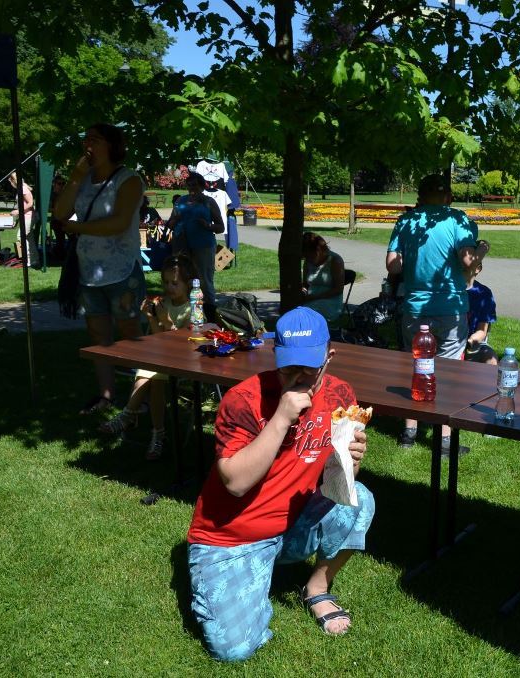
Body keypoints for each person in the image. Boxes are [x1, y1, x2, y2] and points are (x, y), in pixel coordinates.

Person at [186, 307, 375, 662]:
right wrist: (281, 417)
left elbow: (339, 481)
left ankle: (317, 588)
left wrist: (352, 460)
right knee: (234, 649)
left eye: (309, 368)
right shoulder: (243, 400)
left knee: (360, 500)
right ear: (275, 356)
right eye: (289, 368)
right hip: (231, 536)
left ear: (329, 357)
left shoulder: (340, 395)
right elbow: (235, 483)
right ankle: (243, 577)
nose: (299, 378)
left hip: (293, 523)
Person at [386, 173, 489, 452]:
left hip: (415, 308)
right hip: (450, 308)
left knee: (416, 365)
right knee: (449, 371)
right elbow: (468, 261)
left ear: (421, 196)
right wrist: (482, 249)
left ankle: (409, 432)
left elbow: (393, 265)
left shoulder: (406, 221)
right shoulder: (458, 219)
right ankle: (444, 439)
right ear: (448, 197)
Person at [53, 123, 146, 415]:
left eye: (94, 139)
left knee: (131, 332)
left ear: (112, 145)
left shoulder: (129, 180)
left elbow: (119, 223)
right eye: (86, 139)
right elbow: (60, 213)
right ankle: (106, 396)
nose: (87, 145)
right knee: (98, 334)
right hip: (88, 270)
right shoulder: (83, 179)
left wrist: (77, 228)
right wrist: (75, 176)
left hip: (121, 270)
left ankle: (140, 397)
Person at [98, 254, 197, 459]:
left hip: (182, 360)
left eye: (174, 283)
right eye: (165, 282)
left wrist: (168, 322)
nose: (169, 287)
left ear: (188, 284)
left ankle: (129, 416)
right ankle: (156, 433)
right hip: (161, 357)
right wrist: (151, 317)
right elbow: (158, 338)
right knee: (151, 373)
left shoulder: (192, 308)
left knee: (154, 375)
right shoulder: (164, 303)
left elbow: (184, 344)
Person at [165, 171, 224, 320]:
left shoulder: (209, 202)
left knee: (204, 280)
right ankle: (182, 314)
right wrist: (175, 219)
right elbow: (170, 224)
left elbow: (220, 227)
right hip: (181, 244)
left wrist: (207, 226)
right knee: (180, 278)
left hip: (203, 245)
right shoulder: (180, 201)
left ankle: (210, 314)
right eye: (189, 185)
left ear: (202, 186)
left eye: (195, 185)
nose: (192, 188)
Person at [301, 231, 346, 324]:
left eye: (309, 255)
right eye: (306, 256)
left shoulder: (335, 260)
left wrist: (314, 297)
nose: (308, 258)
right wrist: (303, 292)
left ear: (319, 250)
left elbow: (338, 289)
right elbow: (305, 284)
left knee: (304, 313)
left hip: (330, 301)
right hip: (310, 299)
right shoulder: (308, 261)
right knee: (295, 310)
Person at [464, 247, 498, 365]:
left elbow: (482, 331)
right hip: (449, 341)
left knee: (490, 358)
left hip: (474, 342)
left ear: (478, 268)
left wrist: (470, 342)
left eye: (471, 262)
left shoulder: (483, 293)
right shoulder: (448, 291)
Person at [9, 171, 38, 266]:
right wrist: (17, 219)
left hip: (28, 217)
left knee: (20, 237)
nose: (10, 183)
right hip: (25, 216)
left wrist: (18, 211)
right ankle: (34, 260)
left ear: (14, 181)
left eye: (11, 181)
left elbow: (30, 203)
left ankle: (27, 260)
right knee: (29, 238)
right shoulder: (21, 188)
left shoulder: (23, 189)